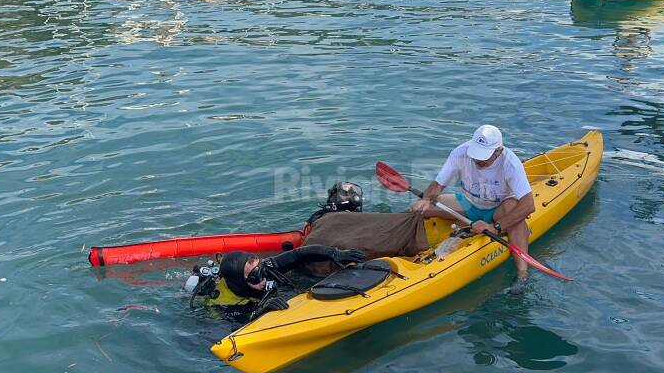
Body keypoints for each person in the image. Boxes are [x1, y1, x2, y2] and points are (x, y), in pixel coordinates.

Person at [409, 125, 535, 294]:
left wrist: (495, 227)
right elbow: (439, 184)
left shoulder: (510, 163)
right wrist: (425, 199)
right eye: (476, 154)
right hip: (468, 204)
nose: (477, 160)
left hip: (500, 209)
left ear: (498, 151)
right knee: (417, 209)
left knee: (513, 208)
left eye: (483, 156)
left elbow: (528, 204)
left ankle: (522, 274)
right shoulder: (461, 152)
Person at [187, 245, 365, 318]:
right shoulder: (225, 305)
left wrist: (334, 253)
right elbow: (239, 329)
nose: (263, 277)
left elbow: (298, 255)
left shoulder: (265, 269)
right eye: (256, 276)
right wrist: (262, 311)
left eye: (261, 269)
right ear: (241, 283)